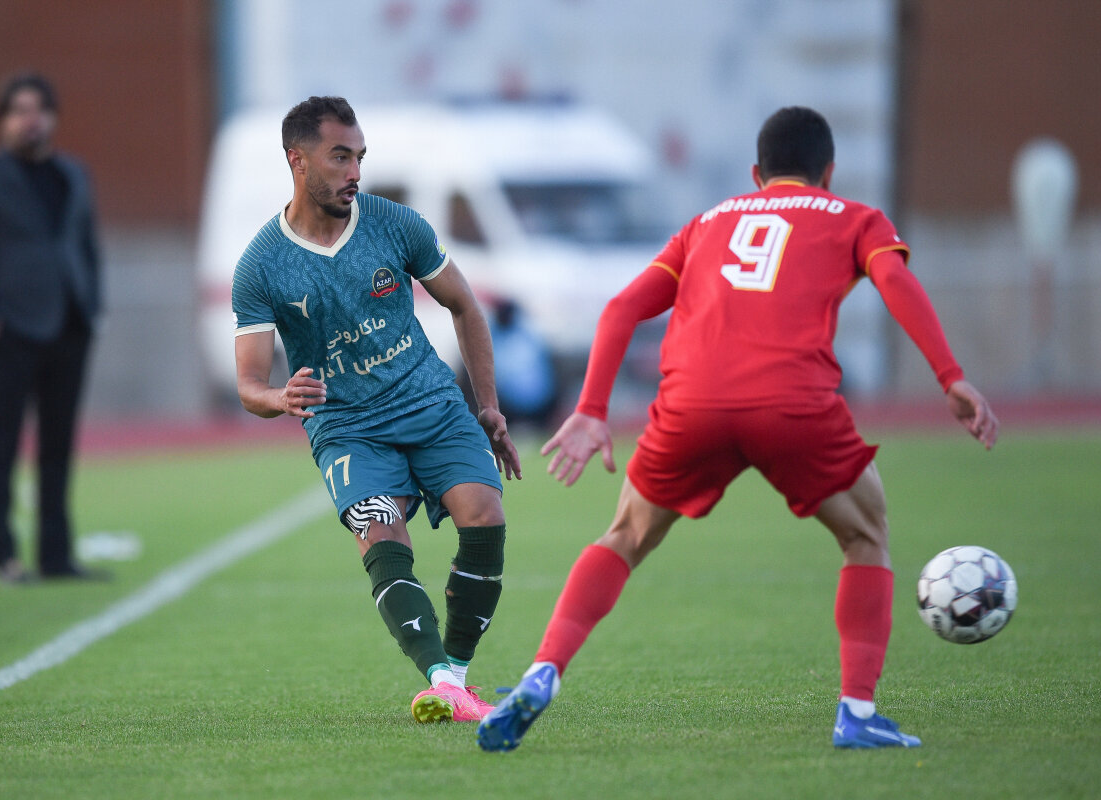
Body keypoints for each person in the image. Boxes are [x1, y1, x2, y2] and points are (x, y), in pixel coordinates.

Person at [478, 106, 999, 752]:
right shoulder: (855, 218)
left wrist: (590, 409)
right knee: (866, 534)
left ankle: (542, 672)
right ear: (828, 173)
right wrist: (950, 377)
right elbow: (894, 280)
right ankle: (857, 712)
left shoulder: (706, 224)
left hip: (691, 403)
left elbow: (621, 308)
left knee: (625, 536)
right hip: (792, 403)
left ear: (757, 175)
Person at [232, 96, 522, 724]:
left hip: (430, 400)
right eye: (340, 157)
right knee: (381, 530)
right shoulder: (260, 265)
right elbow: (249, 384)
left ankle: (455, 678)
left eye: (360, 157)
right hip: (348, 427)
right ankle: (440, 677)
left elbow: (465, 305)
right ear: (298, 161)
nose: (355, 172)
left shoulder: (395, 224)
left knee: (484, 514)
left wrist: (489, 406)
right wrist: (280, 398)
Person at [0, 73, 103, 584]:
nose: (29, 119)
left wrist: (93, 305)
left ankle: (55, 556)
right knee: (3, 445)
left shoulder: (73, 173)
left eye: (38, 109)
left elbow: (85, 244)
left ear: (52, 117)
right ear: (3, 120)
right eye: (18, 110)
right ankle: (4, 556)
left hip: (70, 324)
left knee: (58, 446)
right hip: (12, 328)